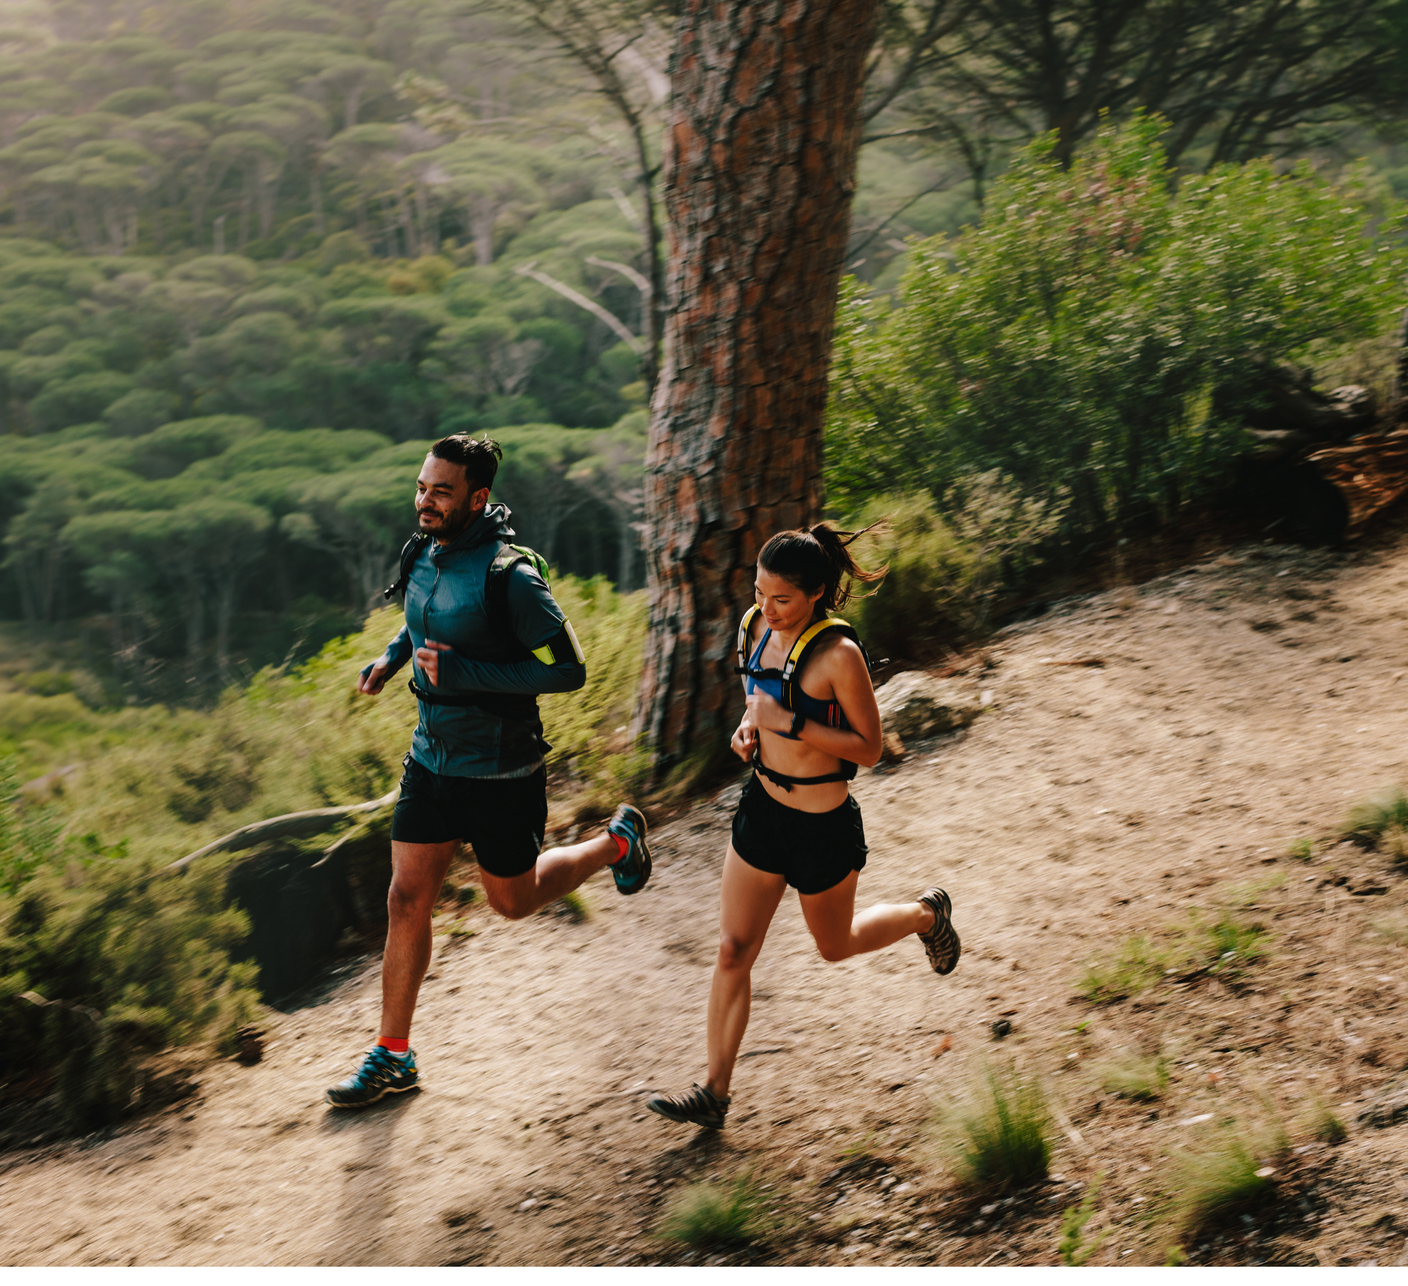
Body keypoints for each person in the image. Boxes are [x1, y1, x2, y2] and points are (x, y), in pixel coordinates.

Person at [325, 433, 652, 1109]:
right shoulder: (425, 552)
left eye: (441, 491)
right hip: (431, 760)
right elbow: (423, 622)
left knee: (512, 900)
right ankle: (393, 1054)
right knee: (406, 897)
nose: (425, 501)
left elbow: (568, 668)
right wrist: (391, 659)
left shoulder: (512, 577)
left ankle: (616, 842)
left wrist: (467, 671)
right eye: (422, 487)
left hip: (502, 770)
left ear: (479, 497)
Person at [645, 523, 961, 1130]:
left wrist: (787, 724)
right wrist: (750, 728)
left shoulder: (839, 655)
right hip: (762, 811)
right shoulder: (756, 627)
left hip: (822, 827)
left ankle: (928, 915)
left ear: (816, 593)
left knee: (833, 946)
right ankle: (714, 1091)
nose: (767, 608)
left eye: (781, 599)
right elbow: (761, 698)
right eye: (760, 592)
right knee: (734, 949)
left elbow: (869, 747)